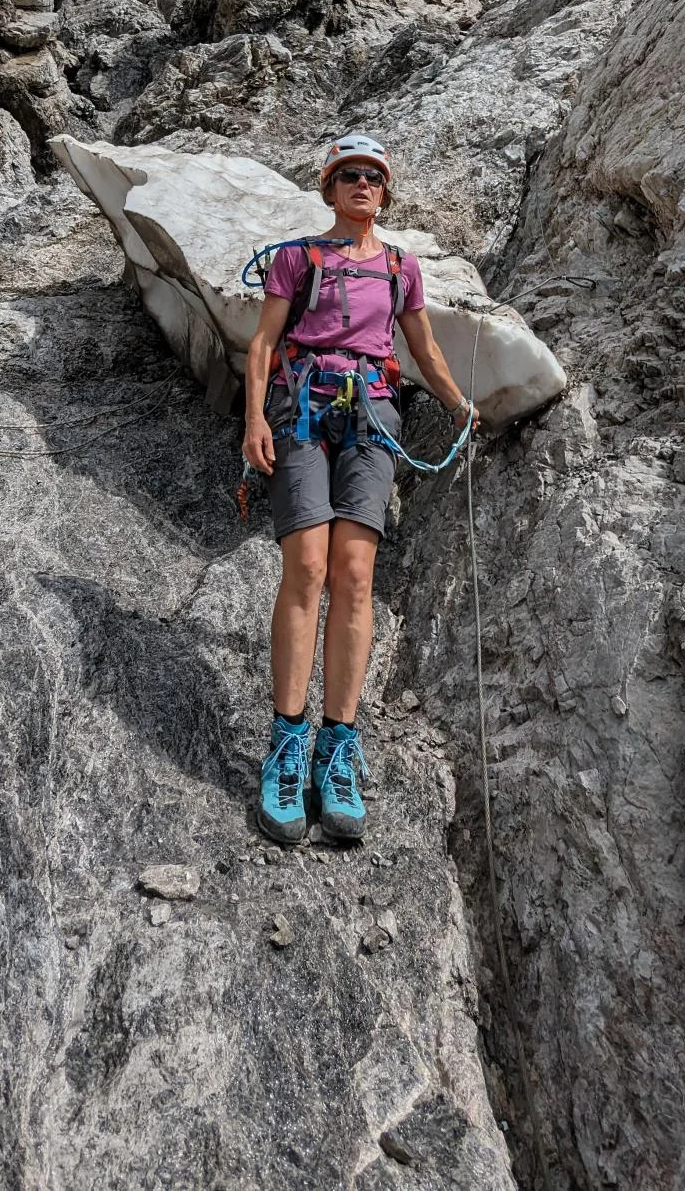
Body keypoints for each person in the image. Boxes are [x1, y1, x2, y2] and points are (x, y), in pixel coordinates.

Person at [242, 132, 478, 845]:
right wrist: (253, 418)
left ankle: (335, 745)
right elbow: (262, 344)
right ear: (329, 188)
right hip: (303, 412)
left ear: (385, 190)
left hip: (373, 416)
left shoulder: (403, 268)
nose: (361, 184)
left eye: (372, 175)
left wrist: (460, 404)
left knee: (354, 573)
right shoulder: (297, 258)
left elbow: (422, 346)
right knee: (306, 567)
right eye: (348, 175)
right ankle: (287, 742)